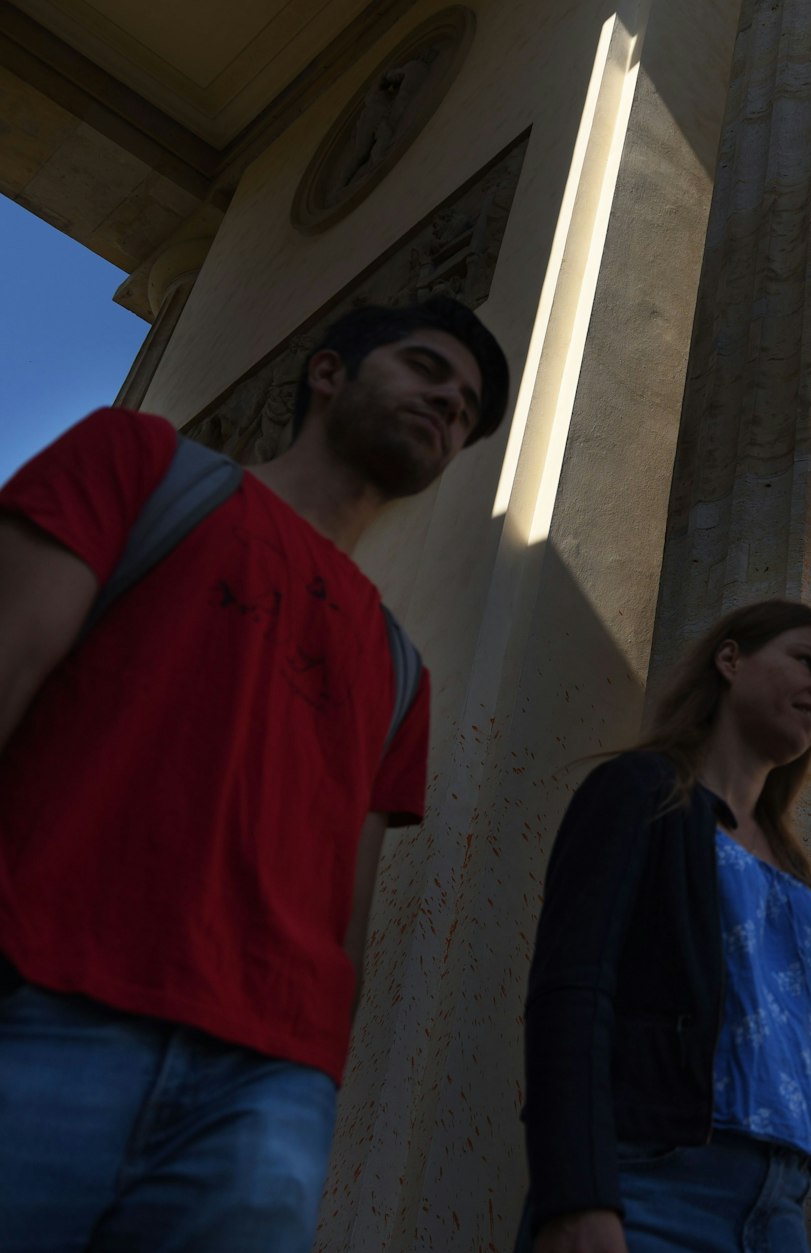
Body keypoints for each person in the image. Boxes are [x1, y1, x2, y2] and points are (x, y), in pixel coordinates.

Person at [0, 296, 510, 1253]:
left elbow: (345, 918)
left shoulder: (405, 673)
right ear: (328, 372)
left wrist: (315, 1069)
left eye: (469, 407)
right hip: (40, 999)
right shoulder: (136, 466)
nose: (449, 403)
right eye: (425, 369)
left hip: (262, 1095)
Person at [520, 600, 811, 1253]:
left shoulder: (789, 863)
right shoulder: (639, 790)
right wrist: (576, 1195)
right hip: (651, 1187)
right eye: (807, 661)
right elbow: (572, 994)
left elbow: (749, 1048)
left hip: (779, 1208)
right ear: (730, 659)